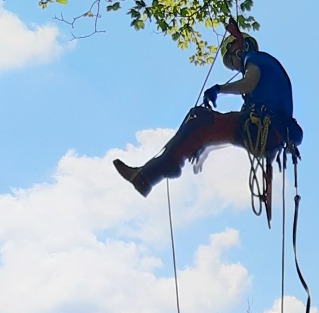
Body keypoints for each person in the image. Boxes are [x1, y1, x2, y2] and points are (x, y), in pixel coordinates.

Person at [112, 19, 302, 207]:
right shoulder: (260, 92)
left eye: (233, 63)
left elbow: (249, 82)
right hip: (269, 135)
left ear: (237, 50)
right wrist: (206, 147)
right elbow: (229, 131)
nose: (237, 68)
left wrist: (219, 89)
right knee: (205, 127)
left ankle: (158, 170)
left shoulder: (256, 59)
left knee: (199, 118)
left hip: (264, 128)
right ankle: (147, 175)